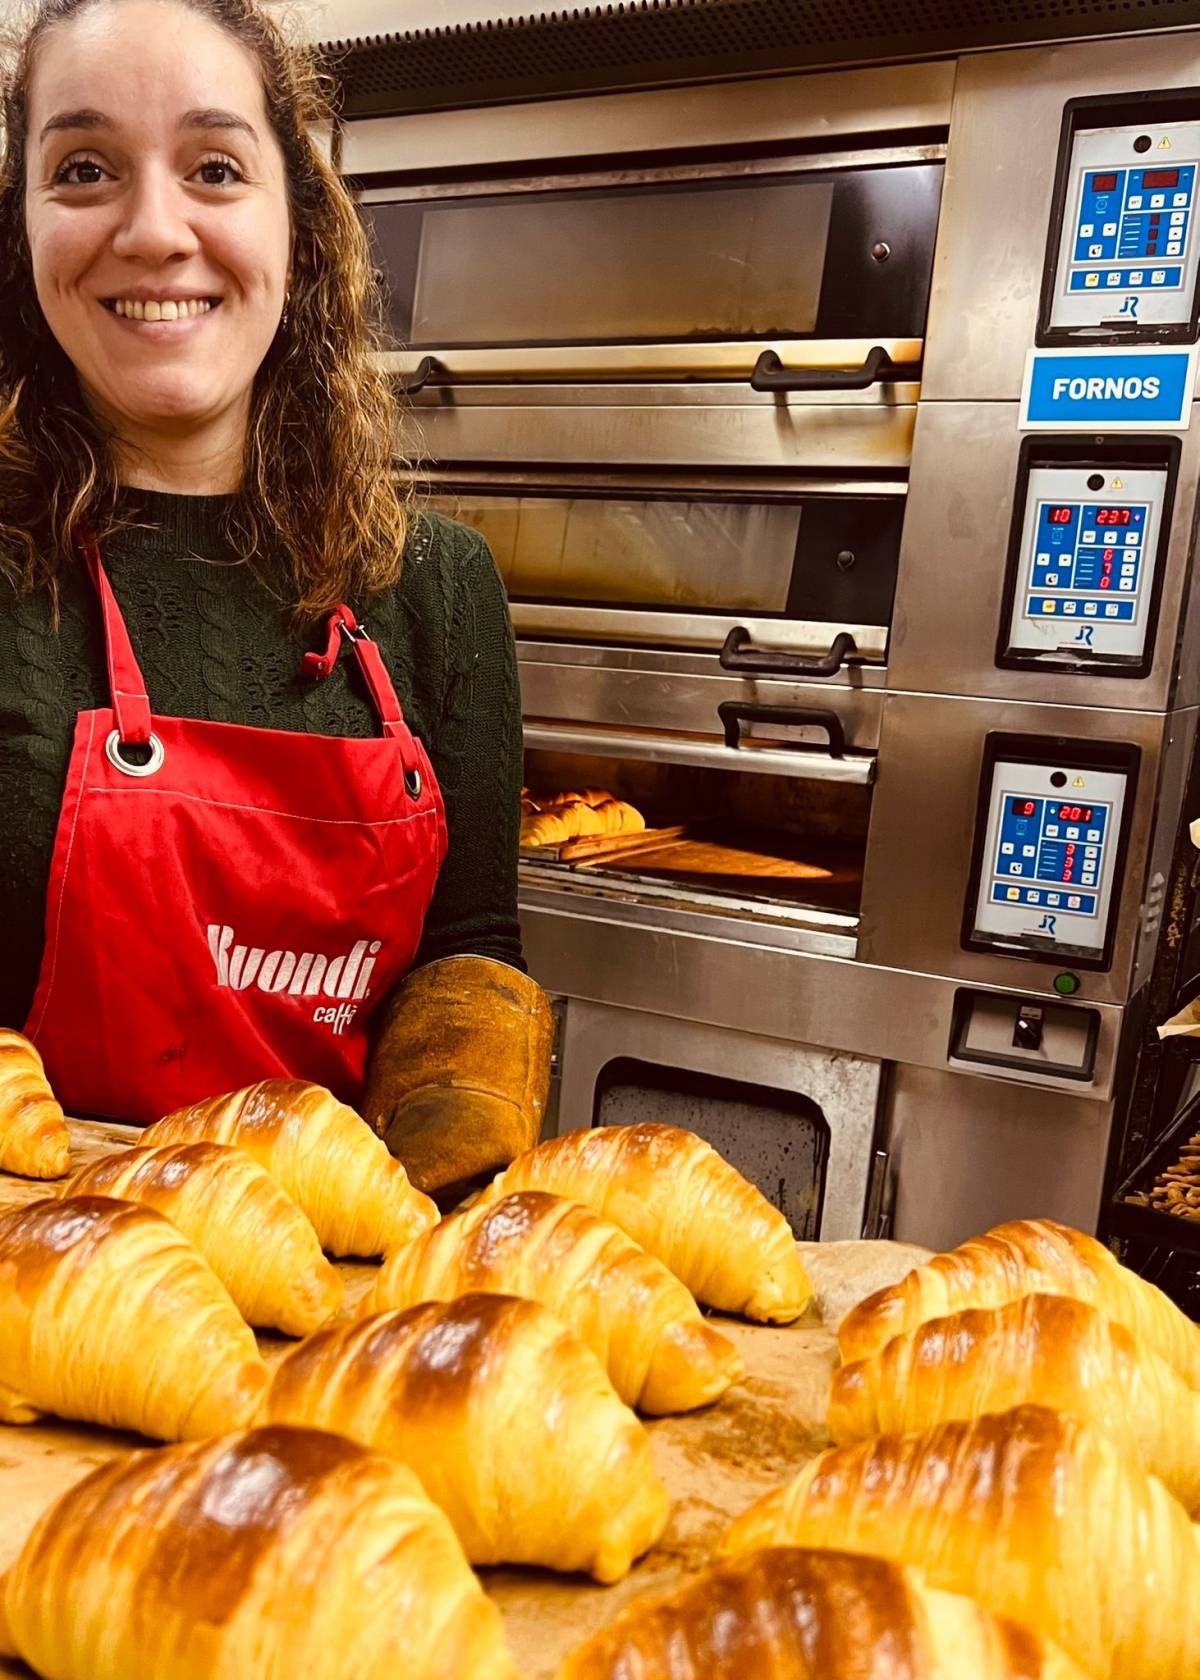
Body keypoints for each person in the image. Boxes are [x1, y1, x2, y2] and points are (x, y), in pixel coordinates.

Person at [0, 0, 552, 1200]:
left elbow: (465, 957)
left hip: (332, 1300)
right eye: (83, 169)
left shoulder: (438, 589)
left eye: (214, 168)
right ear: (22, 229)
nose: (155, 230)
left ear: (298, 226)